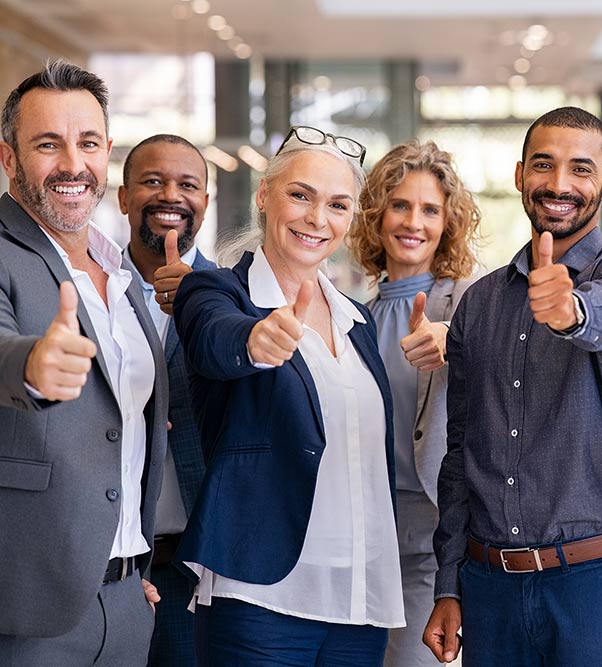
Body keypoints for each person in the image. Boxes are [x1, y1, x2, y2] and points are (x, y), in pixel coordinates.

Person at [423, 106, 602, 666]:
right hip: (489, 590)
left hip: (593, 586)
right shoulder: (478, 304)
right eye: (543, 165)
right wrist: (449, 584)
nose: (558, 184)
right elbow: (460, 456)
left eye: (580, 169)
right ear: (519, 175)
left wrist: (570, 309)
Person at [172, 126, 404, 665]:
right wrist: (255, 339)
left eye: (337, 204)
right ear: (264, 196)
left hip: (358, 600)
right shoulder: (218, 292)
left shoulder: (356, 319)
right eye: (300, 195)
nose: (316, 218)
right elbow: (213, 339)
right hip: (260, 597)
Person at [0, 61, 168, 664]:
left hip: (125, 599)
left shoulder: (120, 273)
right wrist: (32, 364)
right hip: (24, 612)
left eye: (88, 142)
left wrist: (133, 569)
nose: (73, 163)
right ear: (9, 159)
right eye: (48, 144)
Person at [349, 140, 480, 667]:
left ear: (448, 222)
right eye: (400, 205)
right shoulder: (353, 313)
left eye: (430, 209)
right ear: (378, 215)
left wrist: (456, 341)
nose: (413, 221)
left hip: (434, 527)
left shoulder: (469, 301)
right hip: (360, 524)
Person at [117, 134, 214, 667]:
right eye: (152, 182)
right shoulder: (93, 288)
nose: (170, 195)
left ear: (206, 199)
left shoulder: (235, 295)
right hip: (106, 561)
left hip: (198, 563)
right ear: (123, 197)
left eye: (187, 184)